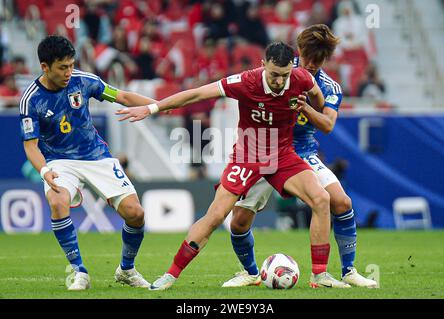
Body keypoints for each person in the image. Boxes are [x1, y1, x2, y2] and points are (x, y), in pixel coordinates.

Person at [118, 41, 336, 291]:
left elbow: (317, 95)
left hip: (282, 154)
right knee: (217, 215)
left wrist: (310, 108)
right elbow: (196, 94)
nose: (279, 81)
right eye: (274, 74)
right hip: (247, 155)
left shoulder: (301, 78)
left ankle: (320, 275)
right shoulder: (245, 81)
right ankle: (170, 275)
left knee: (321, 199)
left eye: (284, 76)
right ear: (263, 65)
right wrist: (152, 107)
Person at [221, 24, 378, 289]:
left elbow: (327, 125)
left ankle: (346, 271)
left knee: (341, 202)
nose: (312, 65)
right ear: (299, 51)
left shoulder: (330, 87)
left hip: (301, 151)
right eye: (308, 59)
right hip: (264, 150)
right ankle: (250, 272)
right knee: (238, 221)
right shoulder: (279, 68)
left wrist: (305, 106)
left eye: (319, 61)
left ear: (326, 59)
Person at [19, 35, 155, 291]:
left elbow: (122, 96)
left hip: (96, 156)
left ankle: (126, 269)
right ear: (45, 67)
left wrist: (158, 106)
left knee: (135, 214)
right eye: (62, 67)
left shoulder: (84, 81)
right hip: (58, 160)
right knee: (58, 201)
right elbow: (30, 146)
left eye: (71, 65)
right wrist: (45, 170)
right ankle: (79, 271)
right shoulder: (31, 99)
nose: (69, 72)